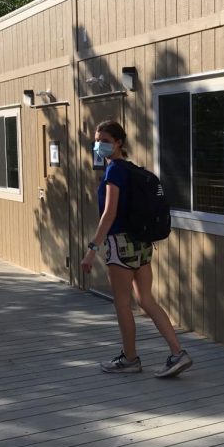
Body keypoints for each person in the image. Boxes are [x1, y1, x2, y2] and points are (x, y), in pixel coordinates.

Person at [80, 119, 193, 378]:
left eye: (106, 141)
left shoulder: (114, 172)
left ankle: (130, 359)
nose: (100, 145)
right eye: (97, 140)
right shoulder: (130, 169)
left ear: (119, 143)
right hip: (141, 244)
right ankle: (178, 353)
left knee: (122, 304)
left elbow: (109, 214)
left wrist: (92, 249)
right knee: (146, 299)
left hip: (120, 244)